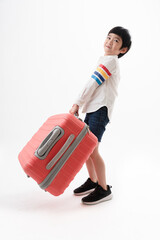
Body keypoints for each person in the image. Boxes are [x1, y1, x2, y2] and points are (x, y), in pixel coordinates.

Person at [69, 26, 132, 205]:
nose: (110, 42)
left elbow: (92, 83)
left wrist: (76, 103)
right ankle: (93, 181)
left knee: (92, 149)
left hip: (100, 110)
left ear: (123, 50)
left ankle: (103, 189)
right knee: (86, 149)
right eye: (109, 37)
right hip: (93, 108)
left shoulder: (111, 61)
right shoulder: (105, 59)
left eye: (116, 41)